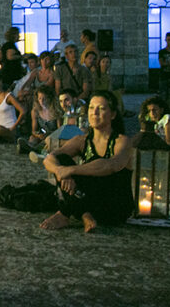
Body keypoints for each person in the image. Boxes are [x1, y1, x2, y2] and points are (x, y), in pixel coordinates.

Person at [39, 91, 134, 233]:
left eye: (101, 109)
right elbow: (49, 158)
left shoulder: (122, 141)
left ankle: (65, 213)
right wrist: (60, 171)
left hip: (114, 206)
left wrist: (71, 170)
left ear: (113, 114)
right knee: (61, 161)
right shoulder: (82, 140)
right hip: (91, 202)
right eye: (91, 108)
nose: (94, 112)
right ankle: (85, 214)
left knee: (82, 169)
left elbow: (111, 165)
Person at [17, 85, 62, 154]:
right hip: (42, 135)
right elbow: (34, 131)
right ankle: (30, 146)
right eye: (40, 98)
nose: (42, 101)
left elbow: (60, 131)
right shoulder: (35, 111)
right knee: (32, 138)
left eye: (44, 98)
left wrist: (48, 135)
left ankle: (33, 149)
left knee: (48, 141)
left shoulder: (56, 111)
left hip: (53, 136)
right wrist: (38, 135)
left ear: (49, 98)